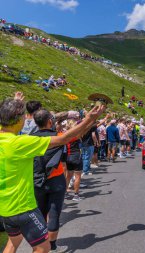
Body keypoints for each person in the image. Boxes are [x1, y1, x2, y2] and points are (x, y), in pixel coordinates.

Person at [0, 92, 105, 253]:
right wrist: (90, 119)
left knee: (13, 242)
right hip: (23, 208)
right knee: (43, 247)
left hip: (5, 209)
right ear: (18, 119)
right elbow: (63, 139)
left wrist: (16, 103)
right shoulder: (20, 143)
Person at [31, 109, 67, 253]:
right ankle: (52, 247)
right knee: (54, 213)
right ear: (50, 122)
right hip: (56, 180)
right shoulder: (59, 137)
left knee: (39, 213)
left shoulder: (29, 138)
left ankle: (39, 246)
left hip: (37, 180)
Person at [65, 120, 84, 202]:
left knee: (68, 176)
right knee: (77, 176)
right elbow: (84, 128)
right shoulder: (76, 135)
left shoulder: (65, 134)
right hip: (76, 156)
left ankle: (65, 192)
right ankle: (76, 195)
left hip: (68, 156)